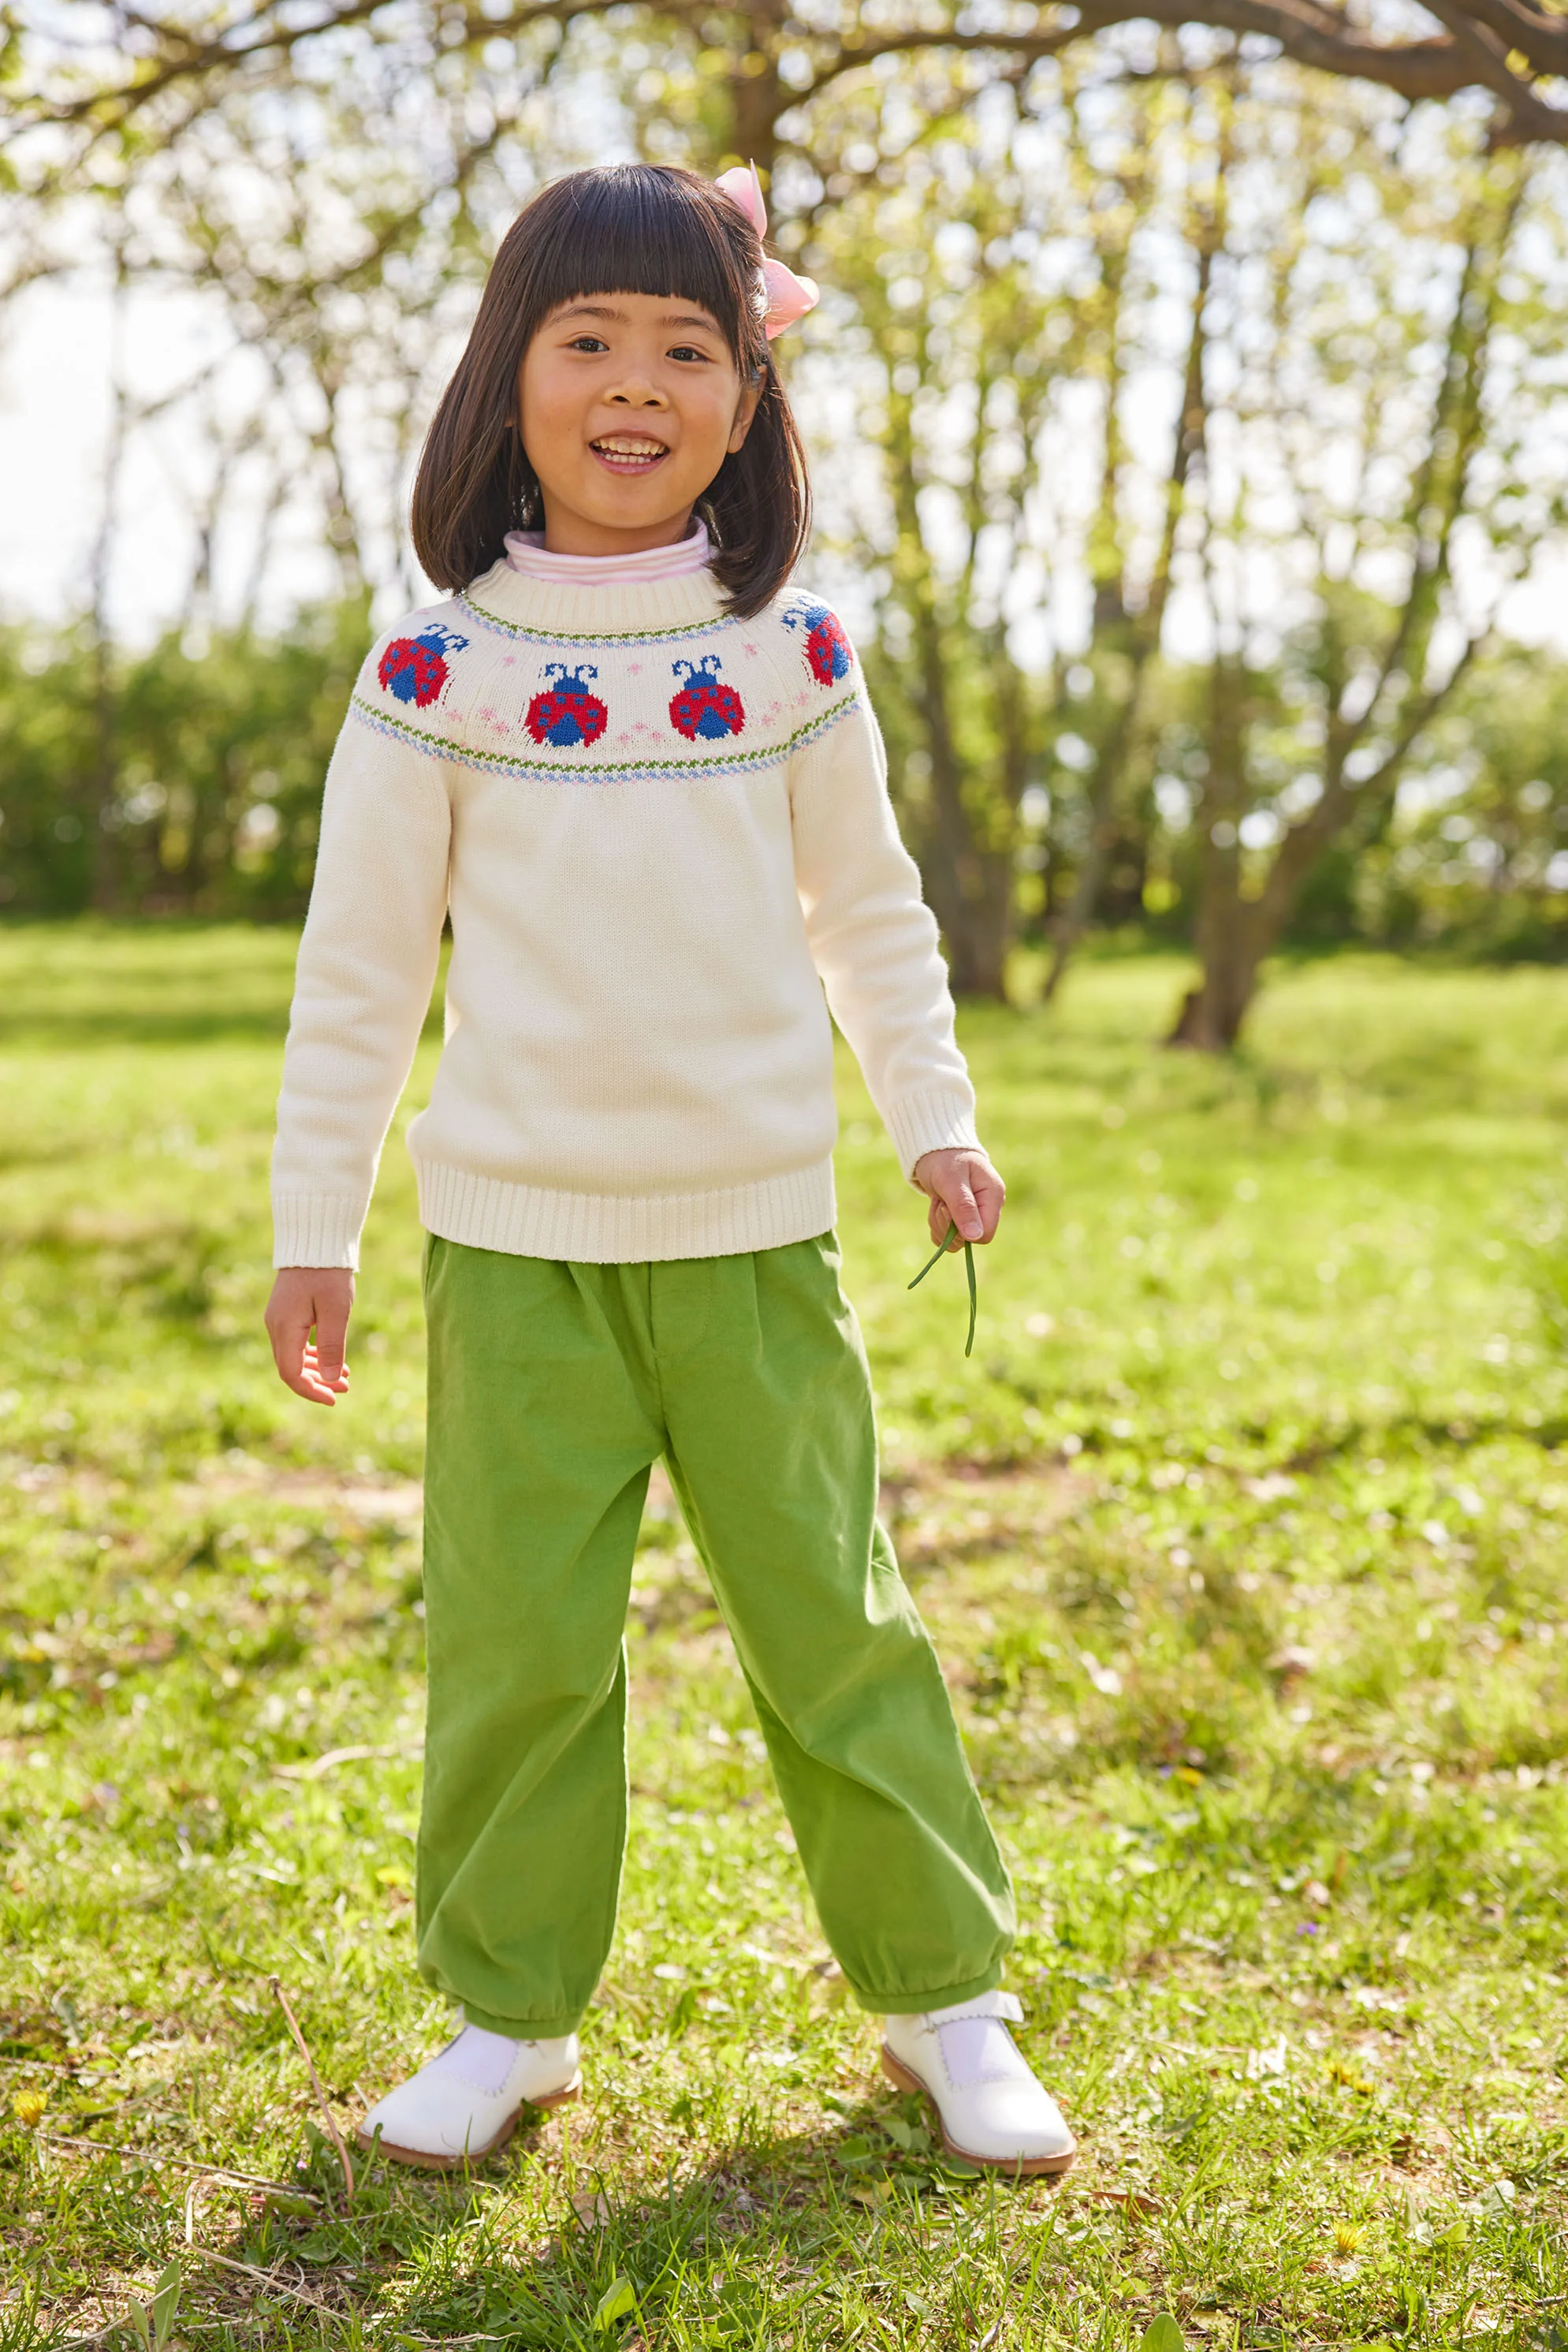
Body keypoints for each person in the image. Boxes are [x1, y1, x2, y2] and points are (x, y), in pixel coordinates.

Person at [264, 160, 1075, 2179]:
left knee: (835, 1621)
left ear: (744, 396)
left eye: (686, 347)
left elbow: (867, 918)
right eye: (589, 341)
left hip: (752, 1242)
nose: (635, 383)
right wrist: (317, 1234)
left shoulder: (789, 657)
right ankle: (506, 2018)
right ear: (508, 378)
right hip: (511, 1251)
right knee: (520, 1645)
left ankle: (942, 2004)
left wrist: (937, 1115)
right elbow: (358, 977)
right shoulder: (433, 674)